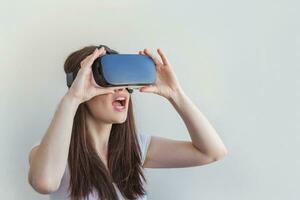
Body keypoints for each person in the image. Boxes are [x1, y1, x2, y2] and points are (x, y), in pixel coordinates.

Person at [28, 45, 228, 200]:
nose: (120, 89)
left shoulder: (136, 148)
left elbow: (211, 152)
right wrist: (72, 98)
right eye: (109, 82)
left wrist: (175, 94)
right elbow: (44, 183)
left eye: (123, 83)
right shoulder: (54, 151)